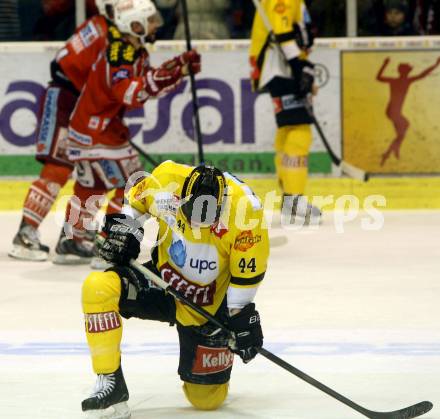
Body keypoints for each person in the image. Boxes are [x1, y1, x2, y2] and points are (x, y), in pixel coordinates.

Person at [81, 160, 269, 418]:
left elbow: (246, 276)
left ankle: (211, 360)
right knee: (98, 287)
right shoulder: (166, 179)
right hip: (161, 281)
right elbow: (136, 203)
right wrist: (126, 230)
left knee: (205, 400)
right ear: (182, 196)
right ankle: (110, 382)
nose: (196, 226)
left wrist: (239, 320)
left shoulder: (246, 212)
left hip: (208, 304)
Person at [60, 0, 201, 265]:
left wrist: (177, 69)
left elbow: (147, 84)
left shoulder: (132, 50)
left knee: (91, 186)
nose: (154, 25)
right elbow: (128, 92)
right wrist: (172, 73)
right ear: (132, 24)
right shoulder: (120, 52)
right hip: (97, 132)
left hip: (92, 129)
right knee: (133, 186)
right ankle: (113, 243)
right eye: (148, 21)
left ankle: (73, 240)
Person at [8, 0, 118, 262]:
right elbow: (71, 70)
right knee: (58, 167)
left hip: (77, 100)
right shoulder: (105, 32)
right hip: (68, 100)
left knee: (95, 172)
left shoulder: (100, 26)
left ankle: (75, 236)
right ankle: (26, 234)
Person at [249, 0, 321, 225]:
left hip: (280, 67)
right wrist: (300, 68)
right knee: (299, 131)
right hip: (280, 68)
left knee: (288, 129)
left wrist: (303, 64)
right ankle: (293, 199)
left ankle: (290, 198)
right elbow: (282, 31)